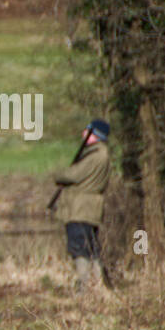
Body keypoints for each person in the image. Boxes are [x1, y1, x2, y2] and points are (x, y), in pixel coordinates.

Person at [52, 119, 111, 292]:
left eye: (87, 130)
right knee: (90, 247)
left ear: (95, 135)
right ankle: (98, 287)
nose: (83, 133)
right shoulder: (99, 154)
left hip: (81, 208)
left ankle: (84, 288)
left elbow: (73, 175)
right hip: (87, 207)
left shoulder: (96, 155)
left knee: (79, 248)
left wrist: (59, 174)